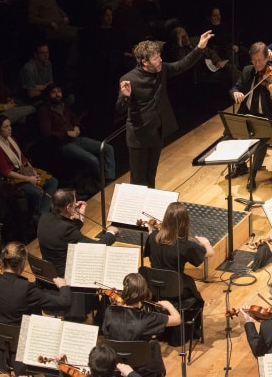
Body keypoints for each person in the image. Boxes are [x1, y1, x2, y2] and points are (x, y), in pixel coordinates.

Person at [118, 33, 212, 188]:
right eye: (155, 58)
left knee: (151, 176)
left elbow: (182, 65)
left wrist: (199, 48)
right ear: (144, 62)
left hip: (156, 133)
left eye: (159, 56)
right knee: (138, 181)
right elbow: (119, 109)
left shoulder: (162, 70)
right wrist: (125, 97)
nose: (160, 60)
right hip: (139, 137)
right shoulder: (129, 79)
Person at [0, 241, 72, 374]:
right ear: (22, 262)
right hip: (23, 347)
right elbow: (63, 303)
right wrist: (63, 286)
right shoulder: (26, 289)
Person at [144, 201, 213, 344]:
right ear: (184, 223)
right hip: (177, 290)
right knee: (197, 298)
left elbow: (153, 237)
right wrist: (205, 243)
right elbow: (210, 253)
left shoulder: (152, 237)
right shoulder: (185, 246)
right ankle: (189, 332)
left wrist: (151, 228)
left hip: (155, 289)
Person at [229, 42, 272, 190]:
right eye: (254, 61)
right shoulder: (247, 71)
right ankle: (241, 165)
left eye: (260, 61)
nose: (257, 64)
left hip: (268, 119)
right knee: (229, 132)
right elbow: (235, 87)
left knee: (261, 139)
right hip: (248, 113)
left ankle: (253, 176)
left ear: (267, 58)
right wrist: (235, 92)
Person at [102, 272, 180, 377]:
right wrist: (169, 305)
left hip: (116, 365)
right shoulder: (148, 318)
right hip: (142, 368)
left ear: (125, 291)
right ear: (144, 293)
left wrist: (115, 303)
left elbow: (106, 331)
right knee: (154, 344)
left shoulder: (110, 311)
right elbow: (177, 319)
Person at [38, 83, 115, 181]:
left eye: (59, 91)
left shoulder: (63, 105)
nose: (57, 94)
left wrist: (76, 126)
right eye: (53, 92)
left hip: (76, 139)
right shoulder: (44, 111)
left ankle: (110, 179)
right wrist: (66, 133)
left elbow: (74, 117)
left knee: (108, 149)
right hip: (63, 144)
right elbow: (47, 133)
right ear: (48, 95)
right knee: (93, 160)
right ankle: (102, 182)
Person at [0, 115, 58, 219]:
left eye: (10, 125)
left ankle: (41, 214)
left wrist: (34, 173)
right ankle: (39, 216)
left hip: (24, 170)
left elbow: (23, 159)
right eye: (5, 127)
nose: (9, 128)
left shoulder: (11, 139)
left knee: (53, 182)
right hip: (13, 176)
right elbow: (5, 171)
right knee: (36, 192)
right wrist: (29, 179)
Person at [37, 189, 118, 276]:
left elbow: (66, 234)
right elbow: (97, 247)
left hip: (48, 271)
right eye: (74, 203)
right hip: (62, 274)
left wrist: (79, 217)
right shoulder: (66, 229)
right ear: (68, 207)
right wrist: (111, 233)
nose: (76, 205)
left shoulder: (44, 217)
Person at [0, 56, 35, 125]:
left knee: (24, 118)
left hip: (6, 106)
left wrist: (8, 100)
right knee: (31, 108)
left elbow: (4, 93)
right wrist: (5, 107)